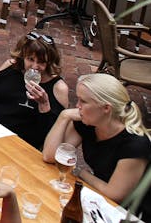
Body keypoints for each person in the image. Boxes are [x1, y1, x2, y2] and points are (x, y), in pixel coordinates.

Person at [43, 73, 151, 217]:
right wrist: (64, 116)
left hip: (129, 213)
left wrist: (82, 174)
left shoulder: (135, 144)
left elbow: (114, 194)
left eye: (83, 101)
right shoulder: (88, 123)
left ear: (106, 108)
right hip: (97, 198)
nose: (77, 106)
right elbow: (50, 156)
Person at [0, 31, 69, 150]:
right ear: (23, 56)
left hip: (20, 147)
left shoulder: (58, 88)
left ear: (49, 62)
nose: (35, 66)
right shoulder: (10, 67)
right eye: (30, 59)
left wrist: (44, 105)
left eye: (41, 62)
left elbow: (51, 137)